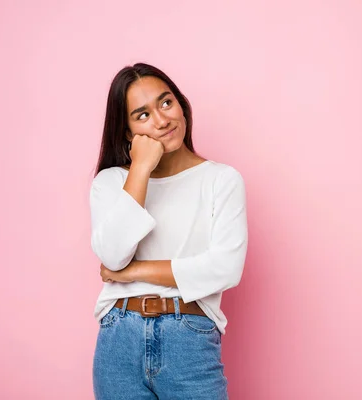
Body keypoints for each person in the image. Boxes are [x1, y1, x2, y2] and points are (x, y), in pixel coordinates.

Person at [89, 62, 248, 399]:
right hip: (119, 338)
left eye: (166, 102)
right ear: (127, 131)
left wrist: (134, 272)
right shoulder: (112, 182)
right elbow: (113, 254)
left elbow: (225, 268)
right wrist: (142, 167)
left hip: (188, 338)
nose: (162, 120)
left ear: (181, 105)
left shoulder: (221, 180)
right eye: (142, 115)